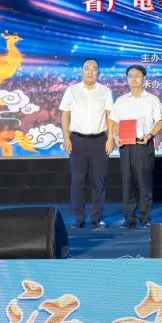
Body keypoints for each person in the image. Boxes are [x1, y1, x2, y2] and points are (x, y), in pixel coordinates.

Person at [59, 59, 114, 229]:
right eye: (87, 68)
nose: (90, 71)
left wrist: (110, 138)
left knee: (98, 181)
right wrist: (66, 138)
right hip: (77, 140)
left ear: (98, 72)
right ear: (81, 71)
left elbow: (110, 116)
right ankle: (79, 218)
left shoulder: (105, 91)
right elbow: (65, 116)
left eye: (94, 68)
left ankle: (97, 217)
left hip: (99, 140)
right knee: (78, 180)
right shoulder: (71, 91)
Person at [109, 65, 162, 229]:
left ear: (144, 78)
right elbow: (114, 122)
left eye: (137, 75)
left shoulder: (152, 99)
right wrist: (115, 137)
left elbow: (159, 121)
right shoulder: (121, 100)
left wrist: (150, 135)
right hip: (125, 145)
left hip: (143, 143)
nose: (133, 78)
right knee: (127, 183)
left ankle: (145, 218)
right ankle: (129, 219)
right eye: (130, 76)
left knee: (144, 182)